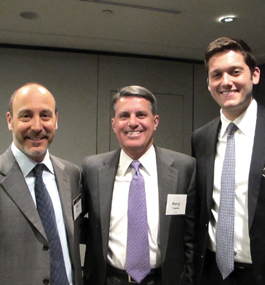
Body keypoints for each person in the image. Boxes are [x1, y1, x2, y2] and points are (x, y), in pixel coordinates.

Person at [81, 85, 196, 285]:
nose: (133, 123)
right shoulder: (93, 169)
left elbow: (191, 236)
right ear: (114, 123)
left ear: (155, 121)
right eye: (124, 115)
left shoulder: (184, 168)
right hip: (110, 279)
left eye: (141, 114)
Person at [192, 37, 264, 285]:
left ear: (254, 75)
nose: (226, 82)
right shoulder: (200, 138)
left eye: (235, 72)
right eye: (216, 75)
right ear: (209, 84)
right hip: (212, 272)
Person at [0, 83, 83, 285]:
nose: (37, 127)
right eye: (26, 116)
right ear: (10, 120)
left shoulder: (71, 174)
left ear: (56, 120)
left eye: (45, 115)